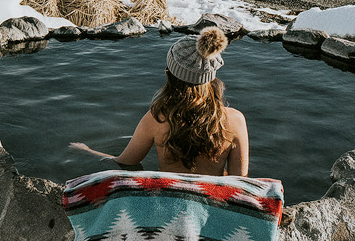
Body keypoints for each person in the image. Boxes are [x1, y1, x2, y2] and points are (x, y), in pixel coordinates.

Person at [69, 27, 249, 176]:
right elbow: (239, 182)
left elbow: (125, 162)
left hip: (168, 201)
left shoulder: (157, 118)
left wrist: (86, 151)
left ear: (170, 75)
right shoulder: (235, 120)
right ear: (211, 76)